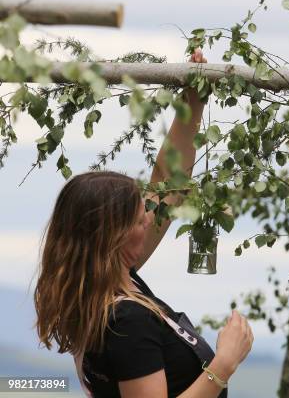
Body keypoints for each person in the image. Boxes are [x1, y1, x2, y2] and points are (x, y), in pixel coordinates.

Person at [33, 49, 253, 398]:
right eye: (139, 218)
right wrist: (223, 364)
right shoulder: (125, 322)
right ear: (113, 237)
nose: (151, 218)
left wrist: (193, 101)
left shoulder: (110, 288)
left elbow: (169, 182)